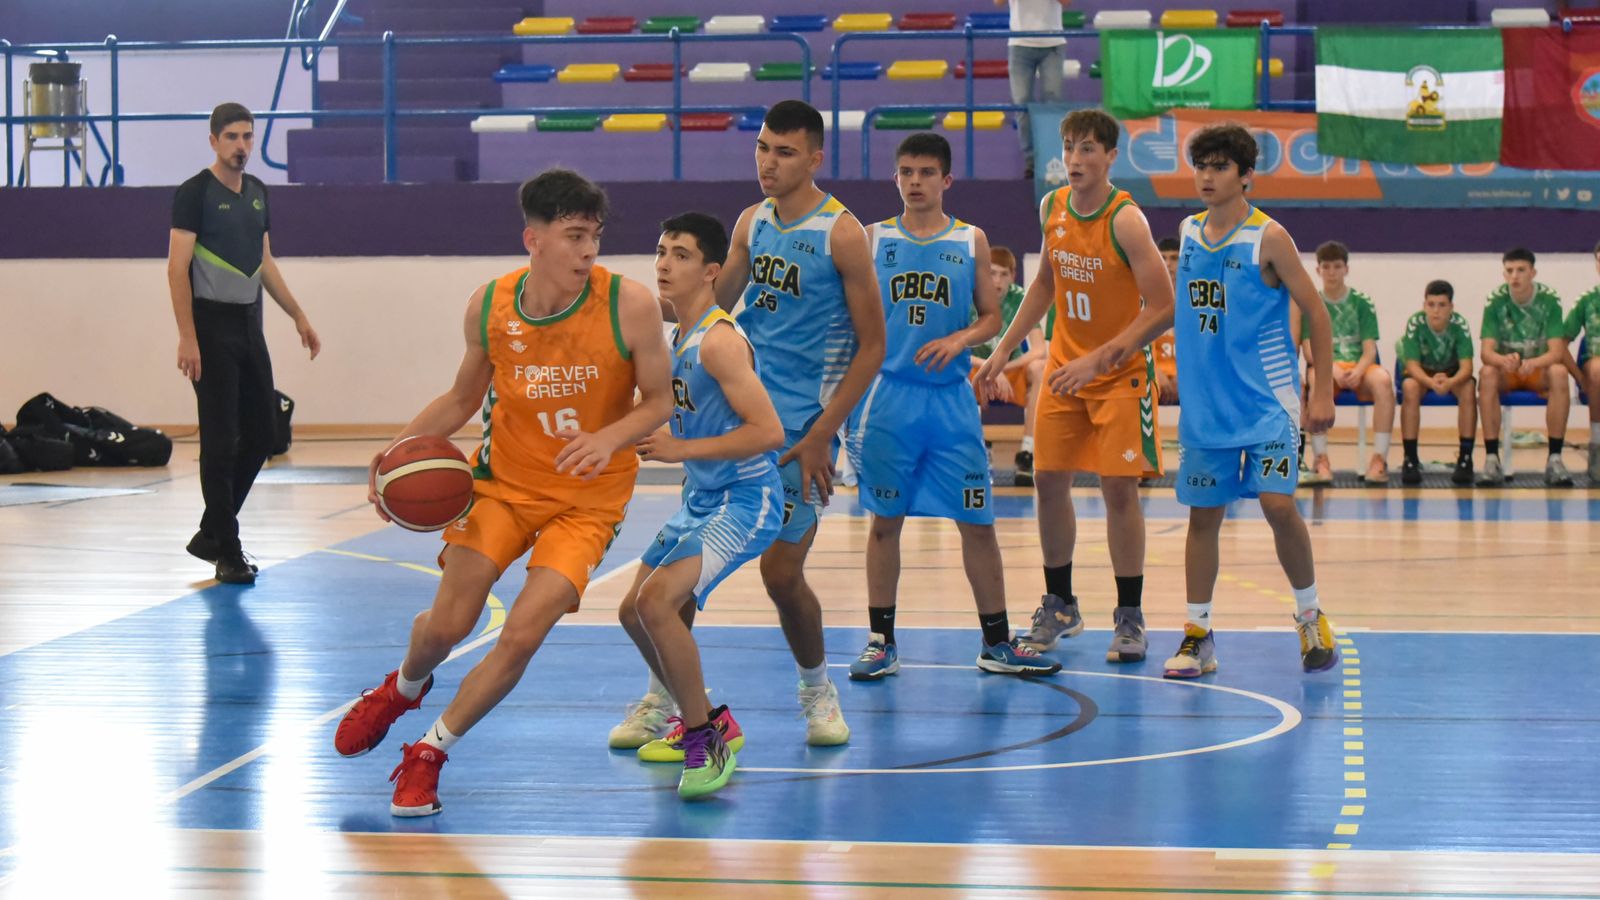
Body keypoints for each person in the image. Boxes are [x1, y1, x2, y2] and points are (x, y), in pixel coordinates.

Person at [332, 170, 674, 817]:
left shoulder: (628, 305)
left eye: (594, 236)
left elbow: (658, 402)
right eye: (573, 236)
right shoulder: (489, 305)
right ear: (533, 240)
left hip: (588, 500)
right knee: (447, 626)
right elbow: (462, 397)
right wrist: (396, 453)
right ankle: (403, 687)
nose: (587, 251)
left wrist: (608, 437)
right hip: (503, 486)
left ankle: (429, 753)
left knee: (520, 634)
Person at [608, 100, 885, 750]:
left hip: (800, 431)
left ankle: (817, 690)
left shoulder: (842, 233)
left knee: (782, 575)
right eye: (763, 147)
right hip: (730, 424)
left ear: (815, 158)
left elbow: (873, 346)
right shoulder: (750, 222)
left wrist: (822, 435)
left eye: (784, 152)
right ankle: (668, 702)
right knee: (678, 579)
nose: (768, 162)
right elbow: (710, 304)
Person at [846, 133, 1061, 681]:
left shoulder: (971, 240)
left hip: (950, 401)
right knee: (884, 522)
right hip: (888, 398)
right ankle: (880, 641)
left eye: (925, 172)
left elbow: (990, 317)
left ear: (946, 180)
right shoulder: (871, 238)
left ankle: (996, 643)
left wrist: (960, 340)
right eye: (906, 172)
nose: (915, 181)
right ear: (895, 178)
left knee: (978, 521)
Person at [974, 108, 1175, 665]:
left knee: (1119, 491)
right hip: (1067, 369)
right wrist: (1002, 349)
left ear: (1110, 156)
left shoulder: (1126, 220)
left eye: (1088, 148)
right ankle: (1060, 603)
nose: (1075, 158)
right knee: (1047, 480)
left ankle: (1130, 615)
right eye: (1068, 147)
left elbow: (1164, 307)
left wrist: (1100, 359)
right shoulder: (1052, 206)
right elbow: (1044, 284)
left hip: (1118, 375)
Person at [613, 213, 785, 799]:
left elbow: (768, 432)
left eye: (681, 255)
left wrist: (680, 449)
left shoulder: (718, 341)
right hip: (703, 495)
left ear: (711, 271)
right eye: (662, 251)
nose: (665, 264)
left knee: (657, 603)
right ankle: (708, 717)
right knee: (633, 611)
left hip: (747, 497)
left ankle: (703, 737)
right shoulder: (678, 336)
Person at [1162, 122, 1340, 678]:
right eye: (1201, 165)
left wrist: (1323, 389)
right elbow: (1178, 312)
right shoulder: (1188, 232)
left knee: (1277, 505)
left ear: (1245, 177)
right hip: (1206, 409)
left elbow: (1317, 312)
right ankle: (1198, 634)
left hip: (1268, 402)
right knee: (1203, 517)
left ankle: (1310, 615)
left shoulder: (1270, 238)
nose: (1207, 176)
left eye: (1220, 166)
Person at [168, 102, 320, 584]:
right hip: (210, 326)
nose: (241, 145)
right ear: (214, 141)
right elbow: (176, 269)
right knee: (219, 440)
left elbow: (264, 261)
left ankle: (213, 530)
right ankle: (227, 550)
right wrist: (188, 336)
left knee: (263, 432)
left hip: (248, 324)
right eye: (232, 137)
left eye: (247, 136)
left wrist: (297, 314)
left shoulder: (257, 192)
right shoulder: (195, 193)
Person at [1292, 241, 1394, 485]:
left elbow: (1369, 349)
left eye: (1337, 267)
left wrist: (1358, 370)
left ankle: (1379, 459)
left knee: (1383, 381)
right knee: (1315, 380)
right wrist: (1332, 369)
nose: (1332, 272)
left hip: (1358, 367)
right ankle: (1321, 460)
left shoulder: (1362, 303)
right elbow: (1308, 350)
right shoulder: (1310, 304)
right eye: (1326, 267)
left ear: (1346, 269)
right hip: (1327, 368)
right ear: (1318, 270)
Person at [1478, 247, 1572, 486]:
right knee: (1487, 373)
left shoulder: (1549, 300)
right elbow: (1486, 352)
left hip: (1537, 370)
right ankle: (1491, 459)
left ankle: (1555, 459)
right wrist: (1503, 361)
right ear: (1504, 274)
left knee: (1559, 372)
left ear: (1533, 273)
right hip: (1507, 372)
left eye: (1521, 270)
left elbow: (1557, 351)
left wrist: (1533, 363)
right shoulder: (1495, 300)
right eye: (1509, 271)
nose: (1515, 276)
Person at [970, 245, 1048, 485]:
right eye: (992, 273)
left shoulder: (1020, 298)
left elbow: (1039, 349)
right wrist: (990, 368)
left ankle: (1027, 453)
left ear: (1013, 276)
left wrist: (1001, 368)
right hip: (976, 372)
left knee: (1040, 368)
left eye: (1004, 274)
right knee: (954, 369)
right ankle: (976, 449)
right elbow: (957, 349)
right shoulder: (968, 297)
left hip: (1008, 374)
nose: (997, 281)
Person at [1397, 280, 1476, 486]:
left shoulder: (1460, 325)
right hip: (1424, 373)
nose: (1436, 311)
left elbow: (1467, 367)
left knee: (1468, 388)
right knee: (1409, 387)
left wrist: (1450, 381)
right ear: (1424, 306)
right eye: (1431, 304)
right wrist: (1430, 382)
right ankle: (1410, 459)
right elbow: (1412, 365)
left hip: (1452, 373)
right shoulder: (1415, 323)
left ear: (1451, 307)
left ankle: (1465, 459)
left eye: (1442, 305)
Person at [997, 0, 1072, 180]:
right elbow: (998, 2)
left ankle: (1053, 158)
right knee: (1022, 104)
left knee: (1052, 104)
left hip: (1052, 41)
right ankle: (1031, 162)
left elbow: (1067, 2)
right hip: (1019, 43)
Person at [1561, 239, 1600, 483]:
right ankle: (1597, 445)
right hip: (1595, 368)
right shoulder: (1587, 301)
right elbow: (1559, 344)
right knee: (1598, 369)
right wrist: (1579, 376)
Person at [1151, 236, 1181, 406]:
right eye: (1162, 258)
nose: (1168, 264)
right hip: (1152, 383)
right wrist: (1154, 371)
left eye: (1174, 258)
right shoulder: (1144, 301)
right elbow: (1135, 348)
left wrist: (1185, 374)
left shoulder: (1197, 302)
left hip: (1189, 384)